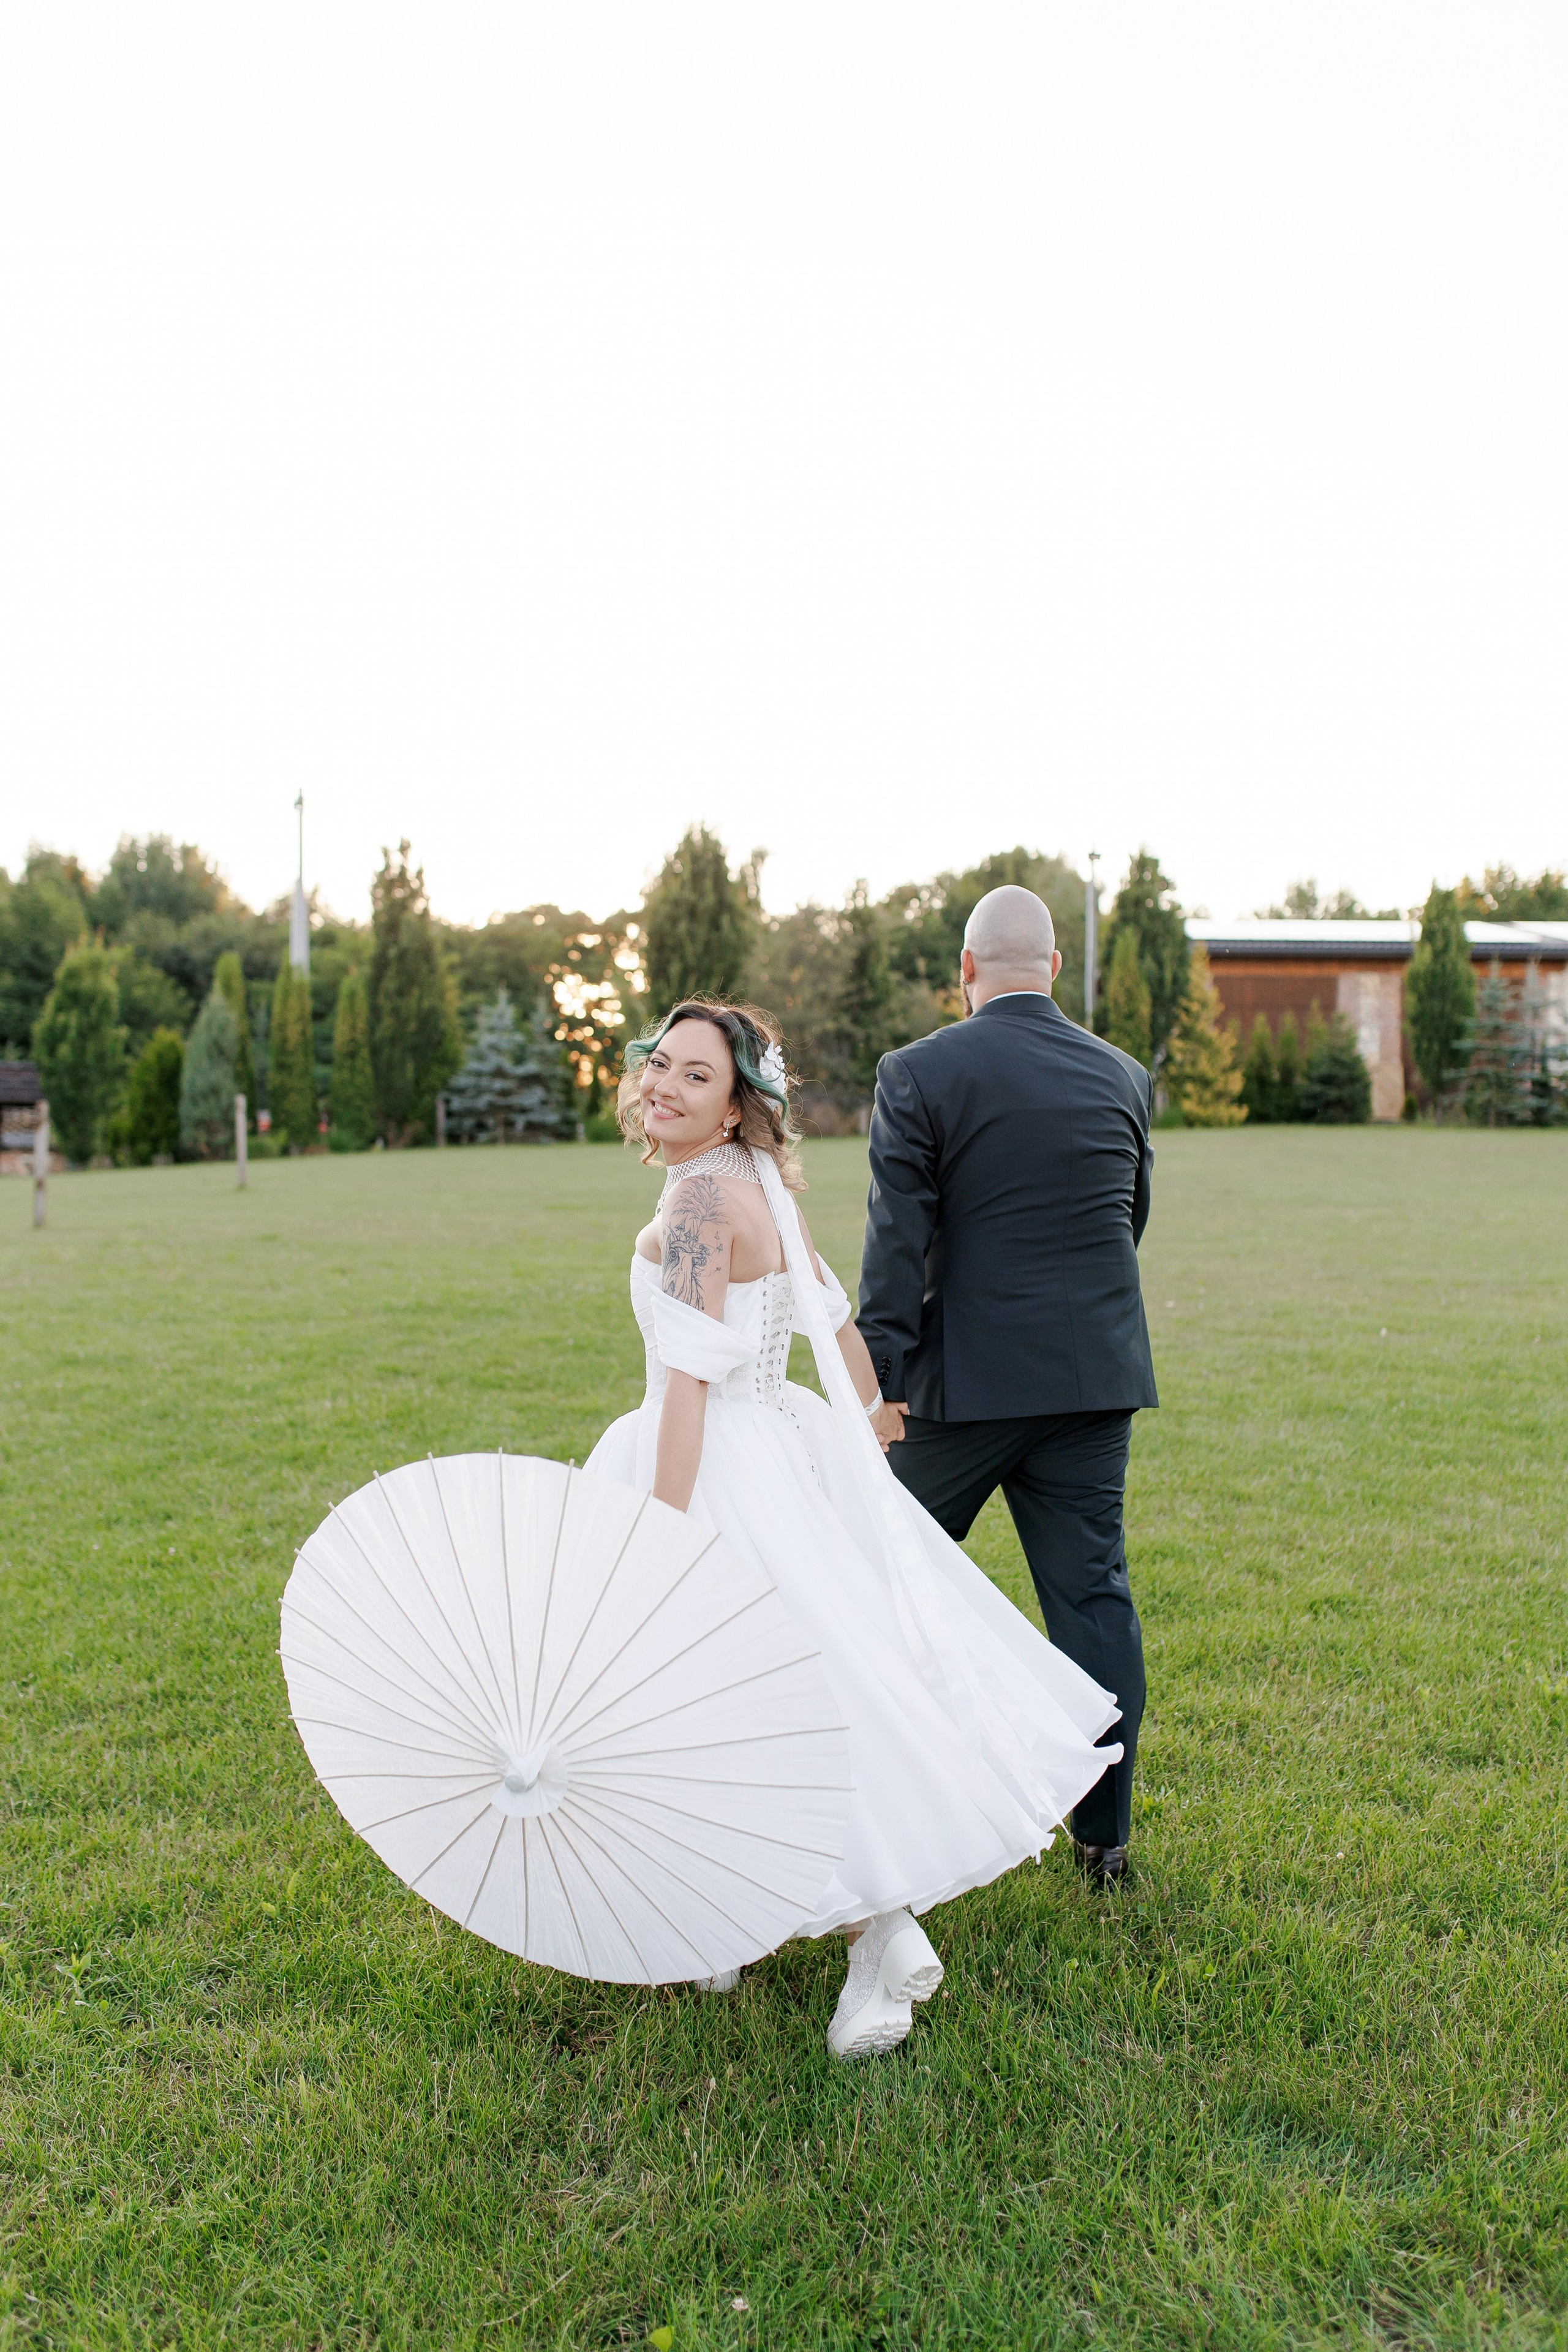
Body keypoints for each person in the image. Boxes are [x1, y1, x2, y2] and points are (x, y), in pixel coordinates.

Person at [584, 996, 1124, 2057]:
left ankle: (878, 1927)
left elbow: (688, 1386)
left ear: (741, 1105)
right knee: (803, 1684)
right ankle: (723, 1926)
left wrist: (661, 1540)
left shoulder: (699, 1204)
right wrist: (869, 1421)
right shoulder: (760, 1185)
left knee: (740, 1690)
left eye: (699, 1075)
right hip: (783, 1442)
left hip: (717, 1460)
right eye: (661, 1063)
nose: (665, 1085)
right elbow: (831, 1311)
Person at [855, 884, 1157, 1891]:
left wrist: (880, 1387)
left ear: (966, 969)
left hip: (962, 1395)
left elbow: (895, 1249)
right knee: (1094, 1604)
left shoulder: (918, 1072)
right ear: (1057, 968)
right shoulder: (1123, 1074)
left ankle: (878, 1813)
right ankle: (1104, 1845)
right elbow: (1130, 1219)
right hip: (1093, 1383)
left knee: (870, 1582)